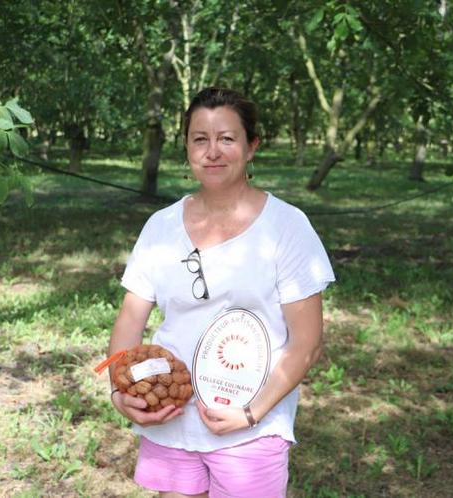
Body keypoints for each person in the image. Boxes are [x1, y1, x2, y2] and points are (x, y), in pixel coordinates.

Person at [107, 87, 335, 498]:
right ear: (188, 149)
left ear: (252, 148)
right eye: (200, 139)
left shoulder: (286, 226)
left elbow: (308, 343)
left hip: (251, 427)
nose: (213, 151)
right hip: (169, 417)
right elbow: (130, 319)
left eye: (227, 138)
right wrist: (119, 390)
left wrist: (251, 413)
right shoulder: (161, 226)